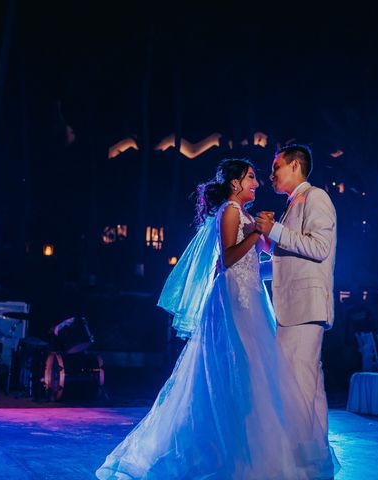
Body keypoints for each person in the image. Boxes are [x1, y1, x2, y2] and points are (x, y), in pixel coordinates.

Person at [96, 158, 337, 479]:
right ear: (235, 183)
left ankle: (251, 447)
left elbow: (263, 258)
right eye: (251, 177)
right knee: (237, 370)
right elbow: (228, 258)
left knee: (253, 375)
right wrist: (257, 234)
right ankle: (231, 450)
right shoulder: (230, 211)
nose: (257, 182)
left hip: (252, 299)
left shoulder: (246, 214)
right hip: (233, 301)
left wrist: (264, 232)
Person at [255, 144, 337, 453]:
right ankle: (312, 456)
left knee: (296, 387)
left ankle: (297, 458)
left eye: (276, 166)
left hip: (305, 309)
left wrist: (273, 231)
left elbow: (318, 248)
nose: (271, 173)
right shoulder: (294, 204)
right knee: (308, 387)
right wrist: (251, 264)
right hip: (294, 309)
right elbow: (288, 261)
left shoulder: (316, 197)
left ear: (294, 166)